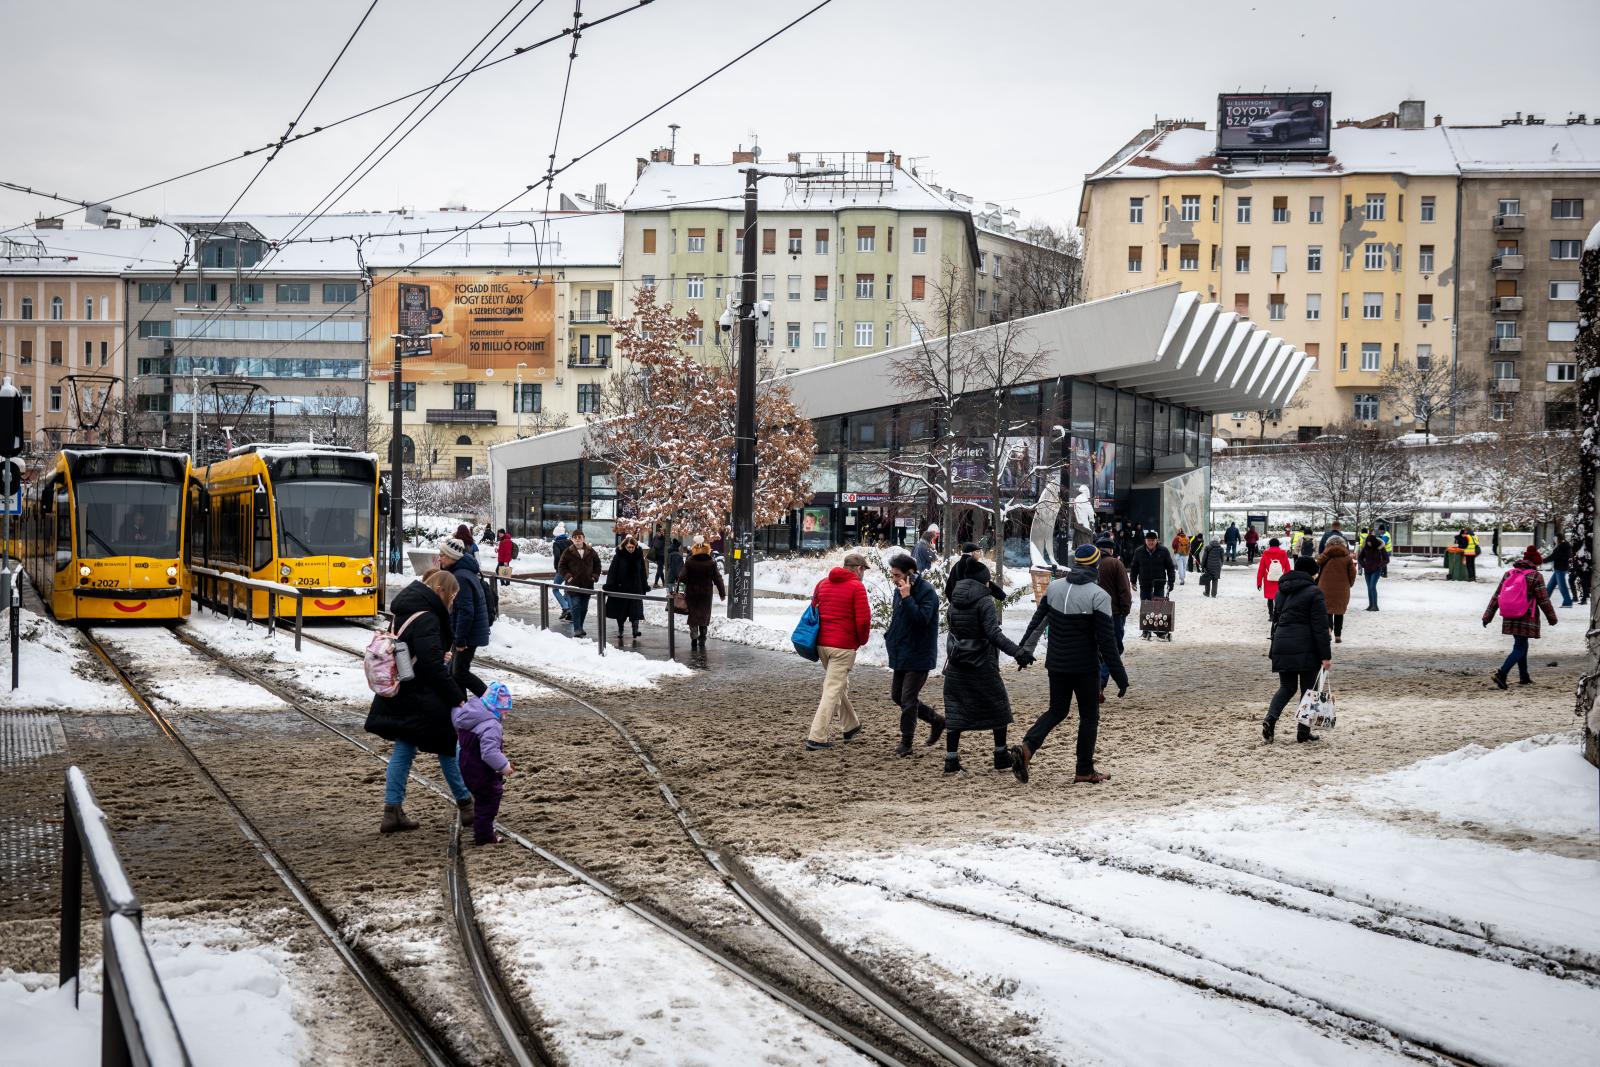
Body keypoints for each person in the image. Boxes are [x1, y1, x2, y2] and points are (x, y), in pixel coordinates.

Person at [365, 569, 475, 833]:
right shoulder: (428, 618)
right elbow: (431, 666)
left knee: (404, 748)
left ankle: (392, 811)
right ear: (441, 591)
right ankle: (467, 804)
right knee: (448, 745)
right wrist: (457, 698)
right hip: (422, 695)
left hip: (405, 691)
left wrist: (438, 657)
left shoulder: (407, 608)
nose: (452, 601)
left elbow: (415, 650)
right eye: (452, 595)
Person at [1011, 543, 1128, 784]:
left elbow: (1037, 623)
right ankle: (1084, 770)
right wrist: (1120, 677)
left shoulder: (1053, 588)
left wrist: (1024, 651)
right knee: (1089, 716)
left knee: (1057, 710)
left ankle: (1027, 748)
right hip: (1085, 667)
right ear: (1096, 566)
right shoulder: (1099, 596)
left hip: (1057, 664)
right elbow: (1108, 643)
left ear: (1075, 564)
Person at [941, 558, 1030, 774]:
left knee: (955, 711)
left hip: (957, 663)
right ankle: (1000, 756)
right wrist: (1018, 652)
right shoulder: (984, 601)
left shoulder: (954, 599)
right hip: (982, 663)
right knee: (999, 707)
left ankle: (951, 762)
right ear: (984, 582)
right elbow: (993, 634)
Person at [805, 552, 872, 751]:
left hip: (822, 645)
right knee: (832, 689)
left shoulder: (823, 583)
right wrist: (861, 641)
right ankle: (816, 737)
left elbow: (814, 609)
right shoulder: (857, 587)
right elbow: (863, 620)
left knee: (838, 685)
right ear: (859, 569)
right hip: (843, 646)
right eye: (864, 570)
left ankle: (850, 725)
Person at [1261, 557, 1332, 743]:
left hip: (1282, 644)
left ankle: (1270, 719)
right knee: (1309, 690)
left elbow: (1276, 621)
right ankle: (1303, 732)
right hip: (1306, 647)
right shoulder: (1314, 592)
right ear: (1312, 573)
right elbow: (1320, 627)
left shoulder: (1281, 591)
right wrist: (1326, 656)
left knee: (1287, 687)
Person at [883, 552, 945, 757]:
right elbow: (899, 619)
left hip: (920, 653)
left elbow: (922, 619)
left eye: (896, 575)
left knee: (908, 698)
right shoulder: (899, 590)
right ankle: (936, 720)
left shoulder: (927, 591)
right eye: (892, 575)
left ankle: (906, 742)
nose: (893, 579)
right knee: (897, 696)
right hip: (901, 651)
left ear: (909, 574)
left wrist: (908, 597)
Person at [1483, 547, 1559, 689]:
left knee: (1521, 644)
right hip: (1526, 617)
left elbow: (1496, 596)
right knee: (1520, 646)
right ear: (1535, 563)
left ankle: (1524, 676)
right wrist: (1552, 618)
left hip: (1510, 615)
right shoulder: (1535, 576)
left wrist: (1487, 616)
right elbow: (1544, 600)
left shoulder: (1509, 574)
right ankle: (1502, 673)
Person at [453, 681, 514, 846]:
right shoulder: (492, 725)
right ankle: (485, 836)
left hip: (466, 765)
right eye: (503, 712)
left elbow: (455, 715)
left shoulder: (468, 715)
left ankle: (483, 831)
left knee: (481, 798)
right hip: (480, 769)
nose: (504, 716)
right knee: (490, 798)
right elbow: (490, 752)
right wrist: (504, 766)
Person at [438, 538, 490, 698]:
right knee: (454, 672)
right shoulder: (464, 572)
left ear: (452, 557)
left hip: (468, 635)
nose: (439, 558)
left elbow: (466, 611)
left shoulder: (459, 577)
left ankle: (492, 699)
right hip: (468, 633)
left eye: (442, 555)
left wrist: (460, 640)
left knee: (459, 672)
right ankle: (461, 708)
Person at [1094, 534, 1132, 690]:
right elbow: (1124, 590)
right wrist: (1125, 610)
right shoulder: (1116, 564)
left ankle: (1096, 679)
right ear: (1110, 549)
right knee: (1114, 648)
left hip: (1092, 613)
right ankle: (1101, 681)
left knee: (1097, 647)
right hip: (1113, 613)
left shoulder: (1091, 564)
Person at [1128, 531, 1176, 641]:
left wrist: (1171, 582)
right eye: (1148, 540)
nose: (1150, 542)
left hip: (1159, 584)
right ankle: (1146, 631)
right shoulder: (1139, 551)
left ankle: (1160, 632)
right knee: (1145, 607)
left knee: (1158, 607)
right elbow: (1134, 567)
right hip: (1145, 584)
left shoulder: (1163, 551)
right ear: (1145, 541)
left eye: (1152, 540)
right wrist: (1133, 581)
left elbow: (1170, 567)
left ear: (1157, 540)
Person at [680, 535, 724, 650]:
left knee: (693, 616)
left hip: (692, 594)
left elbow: (682, 578)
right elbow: (718, 578)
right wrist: (722, 593)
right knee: (704, 616)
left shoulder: (690, 562)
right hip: (706, 594)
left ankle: (694, 636)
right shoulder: (711, 562)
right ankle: (703, 638)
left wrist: (680, 589)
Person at [603, 534, 649, 644]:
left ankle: (635, 630)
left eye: (632, 547)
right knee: (621, 611)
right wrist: (610, 585)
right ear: (625, 546)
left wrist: (644, 585)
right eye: (629, 547)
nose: (631, 549)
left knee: (635, 610)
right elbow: (612, 572)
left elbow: (642, 572)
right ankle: (620, 630)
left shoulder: (639, 556)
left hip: (635, 587)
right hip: (621, 587)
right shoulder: (619, 556)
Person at [557, 529, 601, 638]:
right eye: (575, 537)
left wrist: (594, 576)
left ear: (583, 538)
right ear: (572, 539)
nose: (577, 539)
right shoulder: (568, 551)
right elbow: (561, 566)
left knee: (584, 608)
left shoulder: (591, 551)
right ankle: (577, 629)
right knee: (576, 606)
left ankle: (580, 627)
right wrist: (568, 577)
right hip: (573, 585)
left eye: (579, 537)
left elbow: (597, 564)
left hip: (587, 584)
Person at [1315, 535, 1358, 643]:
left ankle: (1329, 630)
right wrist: (1350, 584)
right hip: (1342, 588)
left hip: (1324, 587)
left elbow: (1315, 567)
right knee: (1339, 611)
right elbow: (1353, 573)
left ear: (1328, 544)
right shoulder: (1347, 557)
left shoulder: (1324, 555)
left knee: (1327, 610)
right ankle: (1338, 636)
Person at [1255, 536, 1292, 623]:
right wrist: (1289, 580)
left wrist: (1259, 582)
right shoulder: (1283, 553)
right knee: (1279, 597)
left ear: (1270, 545)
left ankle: (1271, 615)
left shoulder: (1266, 553)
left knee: (1270, 598)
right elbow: (1288, 568)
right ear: (1278, 544)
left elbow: (1261, 569)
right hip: (1281, 579)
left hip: (1269, 579)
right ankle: (1278, 614)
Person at [550, 523, 573, 621]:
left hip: (562, 570)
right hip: (572, 570)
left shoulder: (556, 543)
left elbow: (557, 557)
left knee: (555, 589)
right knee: (567, 591)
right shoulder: (570, 542)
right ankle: (570, 613)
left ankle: (566, 607)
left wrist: (557, 568)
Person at [1359, 533, 1386, 611]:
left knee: (1372, 586)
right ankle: (1371, 605)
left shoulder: (1380, 548)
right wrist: (1364, 565)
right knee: (1369, 588)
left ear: (1373, 541)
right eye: (1367, 542)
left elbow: (1386, 559)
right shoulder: (1366, 548)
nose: (1368, 543)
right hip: (1367, 571)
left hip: (1376, 570)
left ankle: (1375, 606)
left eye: (1370, 542)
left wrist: (1379, 565)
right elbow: (1360, 558)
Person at [1548, 536, 1575, 608]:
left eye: (1555, 539)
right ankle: (1544, 600)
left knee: (1562, 586)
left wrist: (1542, 561)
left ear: (1559, 539)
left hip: (1560, 569)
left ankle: (1568, 602)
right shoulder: (1563, 546)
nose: (1554, 540)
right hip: (1560, 568)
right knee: (1550, 586)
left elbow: (1553, 556)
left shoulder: (1561, 546)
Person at [648, 523, 667, 589]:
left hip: (657, 555)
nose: (661, 532)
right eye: (661, 531)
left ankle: (664, 582)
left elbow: (652, 544)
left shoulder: (655, 536)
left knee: (660, 568)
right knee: (660, 569)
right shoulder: (663, 538)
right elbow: (658, 545)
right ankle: (656, 583)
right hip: (661, 555)